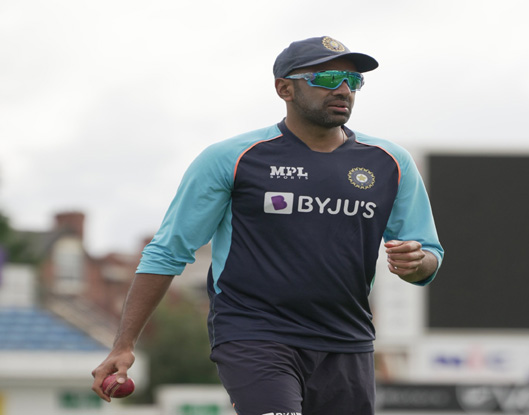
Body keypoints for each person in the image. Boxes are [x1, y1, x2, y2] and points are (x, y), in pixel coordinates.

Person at [92, 36, 444, 415]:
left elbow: (428, 257)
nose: (343, 89)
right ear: (284, 88)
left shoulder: (391, 163)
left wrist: (417, 262)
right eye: (326, 78)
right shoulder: (231, 158)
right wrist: (124, 344)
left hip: (348, 340)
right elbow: (167, 252)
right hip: (254, 335)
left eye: (353, 81)